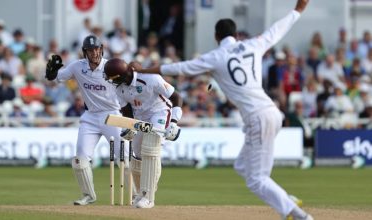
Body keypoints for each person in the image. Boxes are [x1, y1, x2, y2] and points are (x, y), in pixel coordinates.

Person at [133, 0, 313, 219]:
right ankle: (285, 198)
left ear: (216, 36)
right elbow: (277, 30)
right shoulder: (252, 44)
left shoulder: (215, 57)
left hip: (258, 117)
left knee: (257, 180)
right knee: (241, 166)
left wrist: (145, 70)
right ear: (236, 35)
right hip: (273, 113)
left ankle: (299, 214)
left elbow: (180, 68)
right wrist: (298, 10)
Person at [45, 35, 127, 206]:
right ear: (85, 52)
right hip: (90, 117)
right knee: (80, 160)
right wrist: (51, 74)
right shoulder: (77, 66)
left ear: (101, 49)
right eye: (90, 50)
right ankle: (88, 195)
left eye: (97, 49)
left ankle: (136, 195)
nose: (94, 52)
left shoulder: (111, 67)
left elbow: (128, 85)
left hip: (112, 114)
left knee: (124, 159)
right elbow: (57, 77)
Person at [103, 58, 182, 208]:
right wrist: (130, 127)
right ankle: (141, 193)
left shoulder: (151, 79)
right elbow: (127, 111)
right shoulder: (119, 88)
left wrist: (174, 122)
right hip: (140, 118)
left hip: (159, 112)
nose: (111, 82)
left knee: (151, 149)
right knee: (137, 156)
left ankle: (148, 197)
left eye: (112, 78)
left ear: (121, 75)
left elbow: (176, 97)